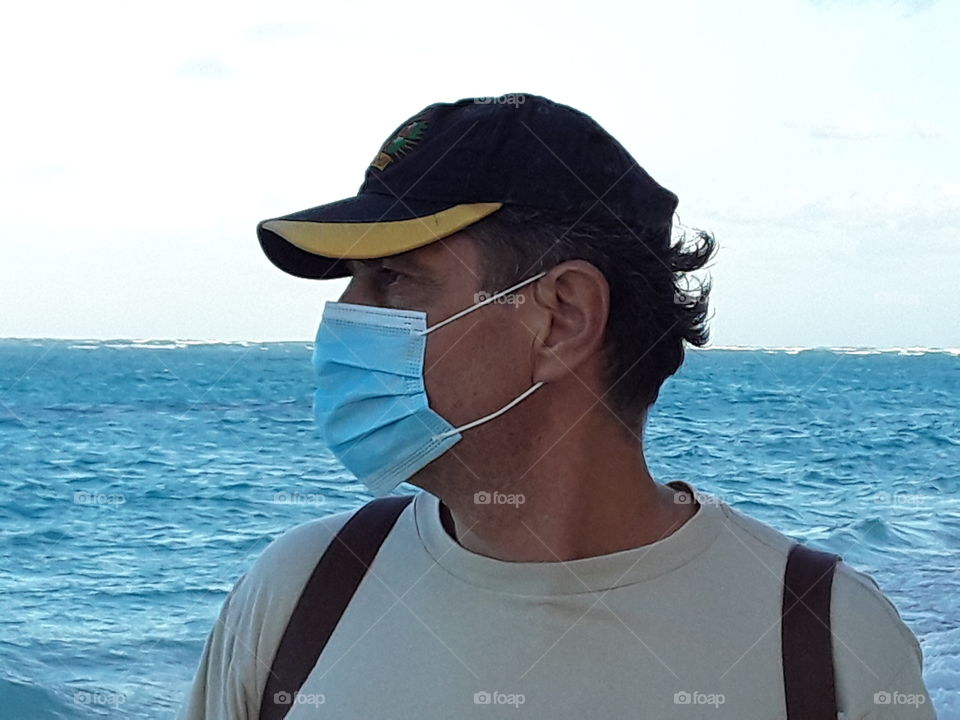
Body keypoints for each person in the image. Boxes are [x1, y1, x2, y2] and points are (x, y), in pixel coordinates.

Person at [177, 93, 935, 719]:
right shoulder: (298, 594)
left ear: (562, 317)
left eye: (394, 280)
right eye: (351, 285)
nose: (342, 320)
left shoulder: (827, 646)